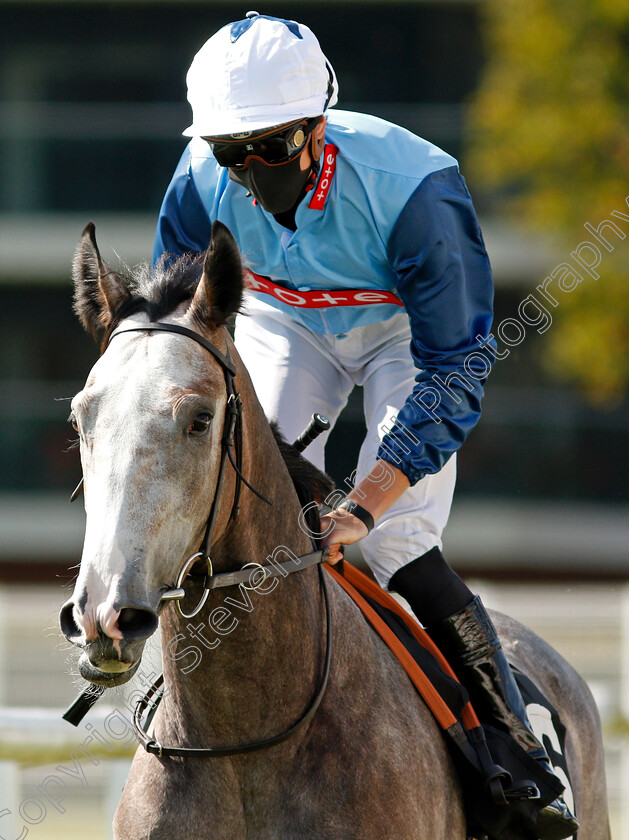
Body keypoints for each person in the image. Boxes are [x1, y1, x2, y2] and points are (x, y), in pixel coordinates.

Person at [153, 12, 577, 838]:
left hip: (402, 334)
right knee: (242, 508)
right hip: (284, 322)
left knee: (388, 542)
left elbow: (455, 368)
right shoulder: (195, 177)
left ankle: (517, 750)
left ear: (319, 125)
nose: (246, 174)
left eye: (270, 149)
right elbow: (182, 327)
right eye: (228, 153)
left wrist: (366, 500)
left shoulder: (415, 186)